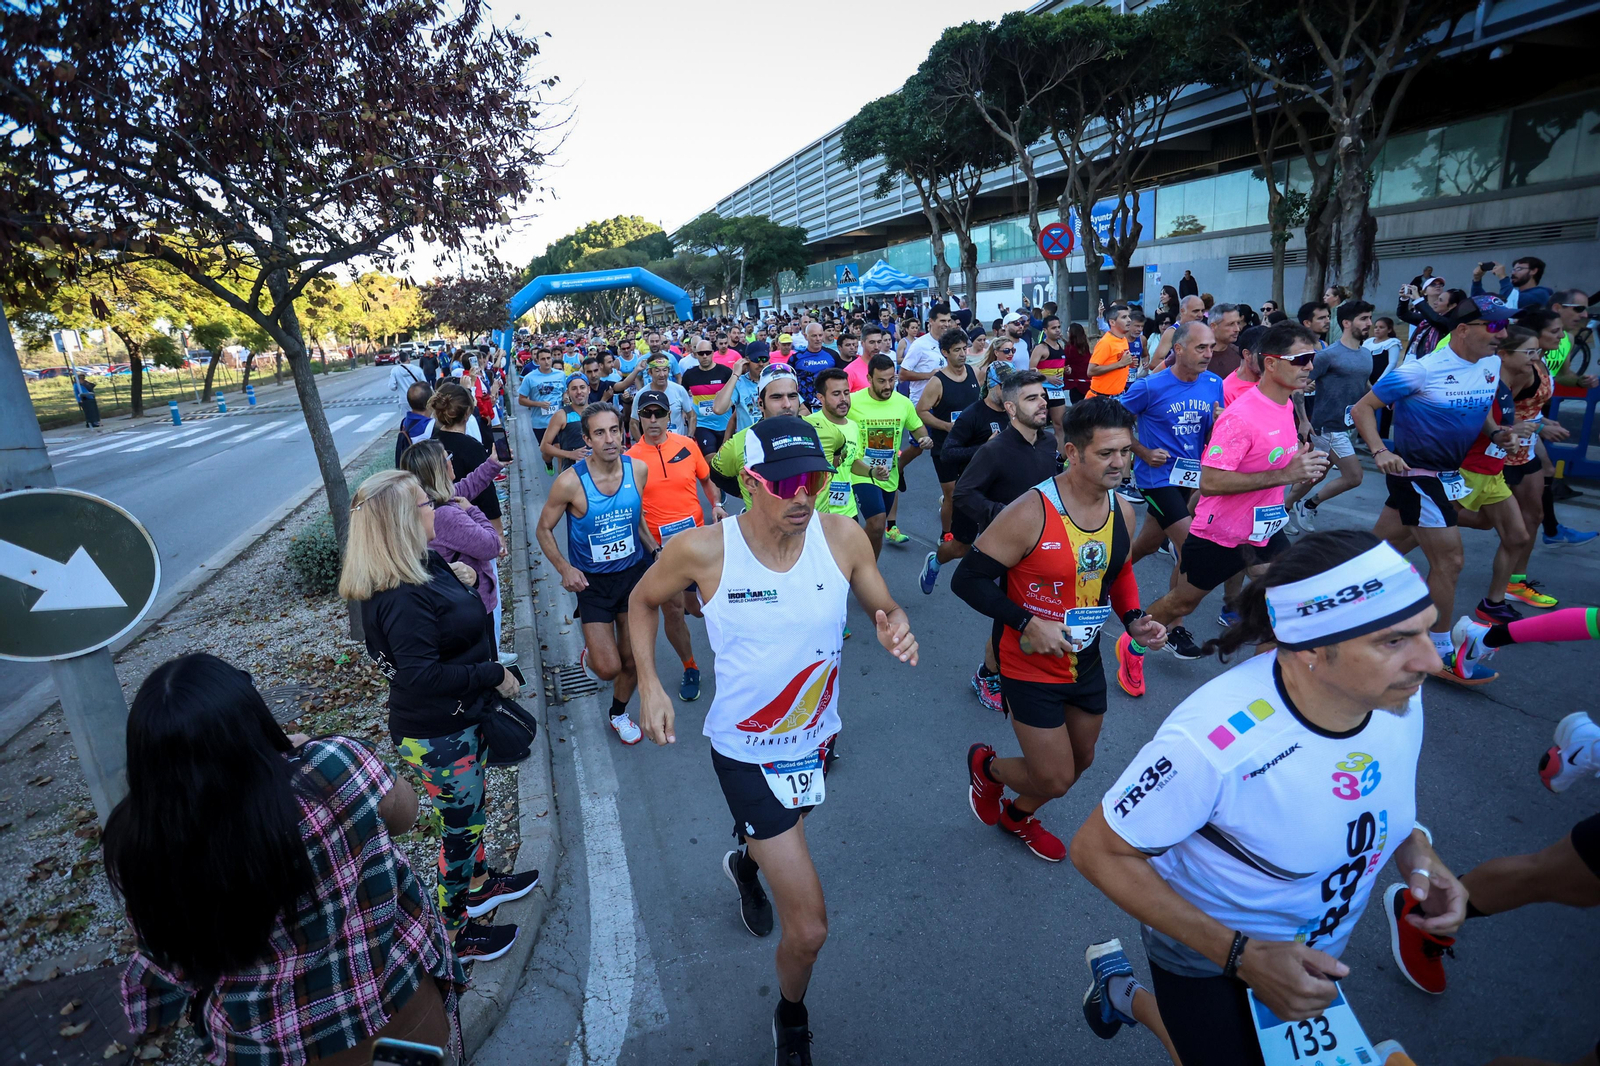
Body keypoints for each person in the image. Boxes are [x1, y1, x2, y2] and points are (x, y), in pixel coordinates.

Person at [1072, 531, 1466, 1066]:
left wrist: (1417, 849)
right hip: (1205, 953)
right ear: (1308, 649)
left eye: (1424, 630)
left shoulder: (1394, 697)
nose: (1432, 662)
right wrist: (1243, 956)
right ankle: (1124, 994)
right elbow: (1097, 850)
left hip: (1313, 949)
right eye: (1392, 641)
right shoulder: (1214, 742)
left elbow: (1373, 792)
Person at [626, 415, 920, 1066]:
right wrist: (649, 682)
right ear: (748, 483)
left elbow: (882, 600)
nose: (803, 495)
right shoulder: (703, 550)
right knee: (810, 927)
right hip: (746, 751)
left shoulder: (840, 537)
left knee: (790, 822)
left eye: (814, 478)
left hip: (815, 739)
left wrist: (893, 622)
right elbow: (642, 601)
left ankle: (746, 861)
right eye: (785, 482)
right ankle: (792, 1015)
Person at [109, 654, 477, 1066]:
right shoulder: (331, 767)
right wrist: (304, 750)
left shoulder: (140, 847)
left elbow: (171, 958)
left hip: (267, 1046)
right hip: (398, 1008)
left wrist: (151, 1009)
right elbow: (405, 814)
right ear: (252, 721)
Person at [954, 398, 1168, 862]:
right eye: (1106, 453)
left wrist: (1135, 620)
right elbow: (966, 579)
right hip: (1027, 661)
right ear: (1072, 453)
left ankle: (1016, 818)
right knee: (1054, 776)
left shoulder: (1122, 511)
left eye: (1125, 451)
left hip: (1084, 659)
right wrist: (1028, 622)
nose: (1119, 463)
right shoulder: (1030, 511)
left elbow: (1120, 572)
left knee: (1081, 761)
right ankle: (987, 769)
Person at [339, 470, 534, 961]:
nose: (437, 508)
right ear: (404, 520)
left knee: (470, 815)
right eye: (426, 503)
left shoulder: (423, 563)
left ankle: (483, 883)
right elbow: (419, 676)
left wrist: (463, 578)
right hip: (438, 733)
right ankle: (453, 933)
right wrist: (491, 674)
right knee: (460, 829)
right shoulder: (402, 596)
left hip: (458, 720)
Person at [1351, 294, 1515, 683]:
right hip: (1415, 473)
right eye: (1493, 327)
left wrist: (1497, 432)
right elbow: (1362, 409)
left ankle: (1341, 601)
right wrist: (1379, 451)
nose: (1502, 334)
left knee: (1382, 550)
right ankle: (1438, 648)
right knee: (1450, 561)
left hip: (1447, 474)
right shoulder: (1422, 370)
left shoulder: (1491, 364)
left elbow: (1479, 408)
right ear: (1462, 330)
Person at [1144, 322, 1331, 660]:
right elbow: (1210, 481)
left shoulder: (1286, 405)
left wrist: (1301, 464)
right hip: (1222, 533)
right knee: (1181, 602)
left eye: (1312, 358)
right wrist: (1285, 473)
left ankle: (1273, 677)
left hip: (1265, 527)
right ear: (1271, 363)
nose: (1309, 366)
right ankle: (1133, 641)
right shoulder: (1241, 416)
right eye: (1300, 359)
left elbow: (1268, 462)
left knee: (1283, 596)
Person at [535, 403, 654, 744]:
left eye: (614, 430)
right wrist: (565, 568)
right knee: (607, 668)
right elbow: (544, 529)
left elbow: (637, 517)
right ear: (587, 439)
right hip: (593, 584)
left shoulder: (638, 471)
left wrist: (655, 550)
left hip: (634, 577)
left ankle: (618, 713)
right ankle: (594, 650)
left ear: (623, 432)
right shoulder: (570, 483)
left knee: (632, 661)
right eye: (599, 433)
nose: (609, 439)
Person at [1120, 320, 1225, 621]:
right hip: (1155, 478)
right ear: (1178, 349)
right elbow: (1113, 421)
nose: (1208, 354)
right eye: (1201, 347)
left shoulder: (1213, 383)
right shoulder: (1150, 387)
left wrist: (1219, 426)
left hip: (1189, 476)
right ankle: (1172, 623)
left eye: (1211, 347)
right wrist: (1142, 451)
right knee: (1189, 545)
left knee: (1149, 543)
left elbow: (1206, 436)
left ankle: (1106, 578)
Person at [627, 390, 723, 703]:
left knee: (700, 607)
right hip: (660, 549)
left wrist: (716, 504)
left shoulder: (687, 446)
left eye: (659, 414)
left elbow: (707, 480)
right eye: (647, 414)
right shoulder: (629, 459)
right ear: (639, 419)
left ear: (671, 416)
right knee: (674, 610)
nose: (653, 420)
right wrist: (649, 545)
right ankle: (690, 666)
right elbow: (631, 509)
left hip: (696, 542)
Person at [1448, 325, 1542, 626]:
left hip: (1492, 474)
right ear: (1503, 354)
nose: (1535, 358)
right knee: (1412, 534)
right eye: (1529, 352)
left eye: (1537, 352)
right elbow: (1472, 422)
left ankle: (1494, 603)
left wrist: (1516, 433)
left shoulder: (1506, 385)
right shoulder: (1485, 383)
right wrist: (1508, 433)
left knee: (1517, 536)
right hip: (1467, 472)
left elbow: (1499, 428)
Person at [398, 439, 514, 661]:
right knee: (485, 663)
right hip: (472, 603)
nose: (452, 462)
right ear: (438, 469)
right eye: (447, 457)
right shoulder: (446, 516)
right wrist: (473, 510)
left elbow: (465, 488)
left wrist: (493, 463)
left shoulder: (426, 503)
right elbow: (491, 546)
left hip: (456, 602)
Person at [1285, 300, 1375, 531]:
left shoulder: (1366, 354)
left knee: (1314, 475)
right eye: (1363, 318)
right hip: (1326, 427)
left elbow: (1364, 384)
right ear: (1346, 323)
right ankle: (1308, 505)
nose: (1369, 323)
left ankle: (1282, 511)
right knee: (1354, 476)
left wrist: (1383, 398)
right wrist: (1304, 421)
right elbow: (1297, 385)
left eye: (1369, 318)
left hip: (1345, 426)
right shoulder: (1328, 355)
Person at [849, 354, 935, 558]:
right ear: (869, 379)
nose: (888, 386)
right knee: (878, 522)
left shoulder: (903, 403)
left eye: (891, 379)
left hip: (889, 474)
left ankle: (869, 568)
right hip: (861, 471)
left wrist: (925, 440)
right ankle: (859, 563)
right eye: (881, 381)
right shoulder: (852, 402)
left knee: (876, 531)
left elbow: (918, 429)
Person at [916, 327, 981, 583]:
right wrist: (946, 426)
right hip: (946, 447)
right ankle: (946, 534)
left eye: (964, 349)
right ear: (945, 353)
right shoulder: (937, 381)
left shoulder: (973, 374)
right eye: (957, 350)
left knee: (971, 489)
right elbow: (922, 410)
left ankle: (969, 532)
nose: (963, 354)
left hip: (971, 446)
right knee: (952, 494)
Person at [428, 383, 504, 538]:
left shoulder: (432, 442)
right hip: (473, 524)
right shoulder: (472, 447)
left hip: (440, 523)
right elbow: (486, 493)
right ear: (468, 413)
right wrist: (498, 531)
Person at [804, 368, 869, 522]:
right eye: (836, 394)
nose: (843, 399)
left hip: (848, 510)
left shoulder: (853, 426)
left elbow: (852, 463)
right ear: (821, 398)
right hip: (816, 514)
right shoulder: (809, 426)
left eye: (846, 393)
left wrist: (872, 472)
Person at [681, 338, 736, 458]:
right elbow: (682, 394)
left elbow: (736, 396)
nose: (704, 356)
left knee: (725, 459)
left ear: (712, 353)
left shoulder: (725, 372)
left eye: (707, 352)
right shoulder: (690, 375)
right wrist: (685, 412)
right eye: (701, 353)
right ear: (696, 355)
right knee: (710, 458)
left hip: (725, 425)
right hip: (702, 425)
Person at [629, 354, 695, 440]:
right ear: (650, 372)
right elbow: (633, 423)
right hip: (653, 445)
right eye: (657, 371)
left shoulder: (679, 390)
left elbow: (692, 416)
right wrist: (641, 444)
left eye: (665, 370)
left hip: (677, 444)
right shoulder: (642, 394)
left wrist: (689, 438)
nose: (662, 374)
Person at [540, 373, 593, 472]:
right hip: (572, 472)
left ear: (588, 389)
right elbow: (544, 446)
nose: (579, 392)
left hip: (597, 468)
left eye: (582, 387)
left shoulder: (598, 411)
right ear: (567, 393)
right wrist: (570, 454)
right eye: (574, 389)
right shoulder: (561, 415)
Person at [1088, 304, 1137, 399]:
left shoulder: (1123, 339)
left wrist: (1128, 364)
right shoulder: (1106, 342)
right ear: (1112, 322)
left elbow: (1115, 362)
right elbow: (1091, 371)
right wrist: (1121, 364)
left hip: (1119, 396)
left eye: (1129, 316)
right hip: (1101, 399)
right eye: (1124, 317)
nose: (1129, 320)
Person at [791, 322, 843, 411]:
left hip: (830, 404)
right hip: (806, 407)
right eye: (814, 336)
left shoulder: (833, 354)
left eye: (820, 335)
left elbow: (841, 379)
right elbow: (791, 382)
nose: (818, 339)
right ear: (805, 336)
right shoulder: (795, 358)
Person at [1473, 256, 1552, 310]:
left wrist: (1503, 277)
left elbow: (1510, 301)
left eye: (1519, 269)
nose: (1513, 273)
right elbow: (1480, 303)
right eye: (1513, 270)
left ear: (1533, 271)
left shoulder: (1541, 294)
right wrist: (1477, 280)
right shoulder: (1513, 294)